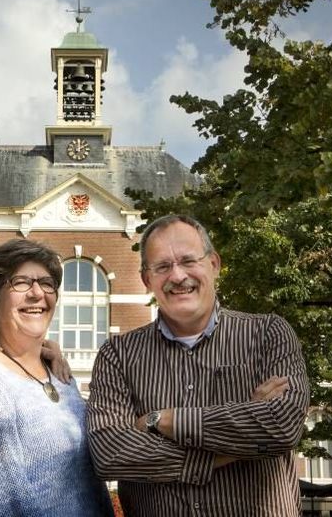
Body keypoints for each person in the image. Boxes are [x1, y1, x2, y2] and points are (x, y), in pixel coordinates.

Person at [86, 215, 309, 517]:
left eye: (189, 261)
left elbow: (282, 425)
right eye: (162, 266)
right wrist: (241, 433)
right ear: (146, 280)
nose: (178, 276)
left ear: (214, 264)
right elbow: (110, 454)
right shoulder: (118, 355)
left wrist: (161, 420)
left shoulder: (269, 333)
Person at [0, 239, 112, 517]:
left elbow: (93, 484)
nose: (37, 293)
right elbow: (2, 506)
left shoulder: (61, 376)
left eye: (46, 283)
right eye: (20, 282)